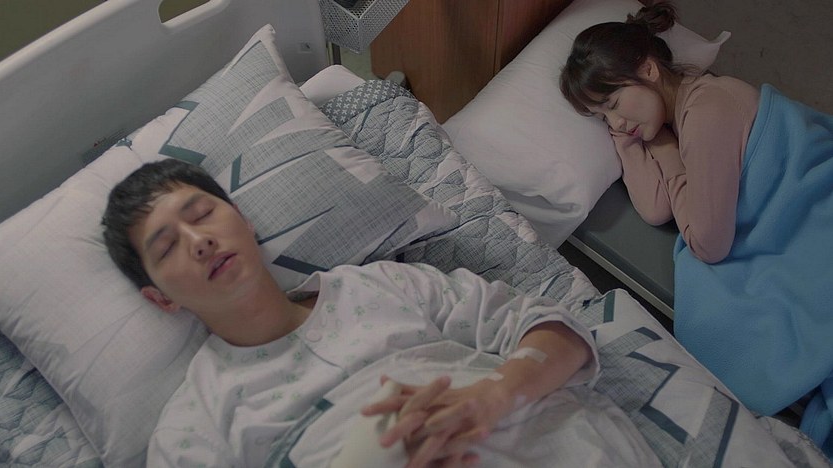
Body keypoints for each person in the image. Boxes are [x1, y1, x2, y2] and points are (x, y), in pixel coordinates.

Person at [101, 159, 646, 467]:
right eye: (167, 247)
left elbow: (556, 333)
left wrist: (496, 394)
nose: (198, 240)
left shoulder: (381, 286)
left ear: (243, 219)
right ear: (161, 298)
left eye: (202, 214)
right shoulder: (195, 424)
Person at [559, 0, 759, 264]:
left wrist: (668, 152)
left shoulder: (706, 112)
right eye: (602, 118)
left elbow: (708, 247)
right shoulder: (674, 123)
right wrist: (640, 142)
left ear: (648, 69)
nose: (615, 124)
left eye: (613, 104)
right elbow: (656, 209)